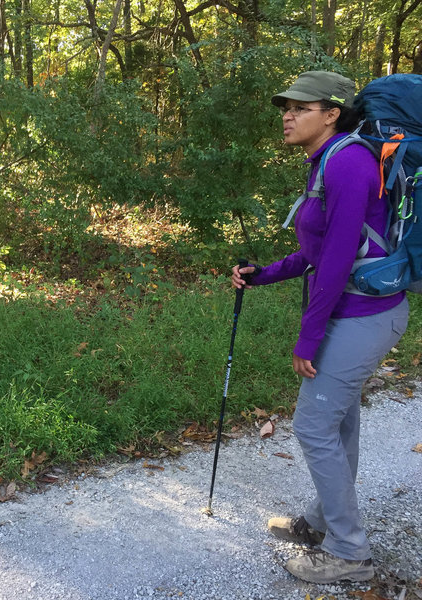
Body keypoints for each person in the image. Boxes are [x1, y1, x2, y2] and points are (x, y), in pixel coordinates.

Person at [231, 71, 409, 584]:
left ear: (331, 113)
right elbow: (316, 251)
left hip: (363, 316)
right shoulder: (327, 161)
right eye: (285, 107)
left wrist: (308, 337)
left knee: (312, 425)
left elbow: (334, 262)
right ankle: (325, 521)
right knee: (339, 421)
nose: (287, 115)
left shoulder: (349, 161)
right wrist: (261, 274)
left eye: (300, 107)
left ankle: (349, 553)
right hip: (354, 312)